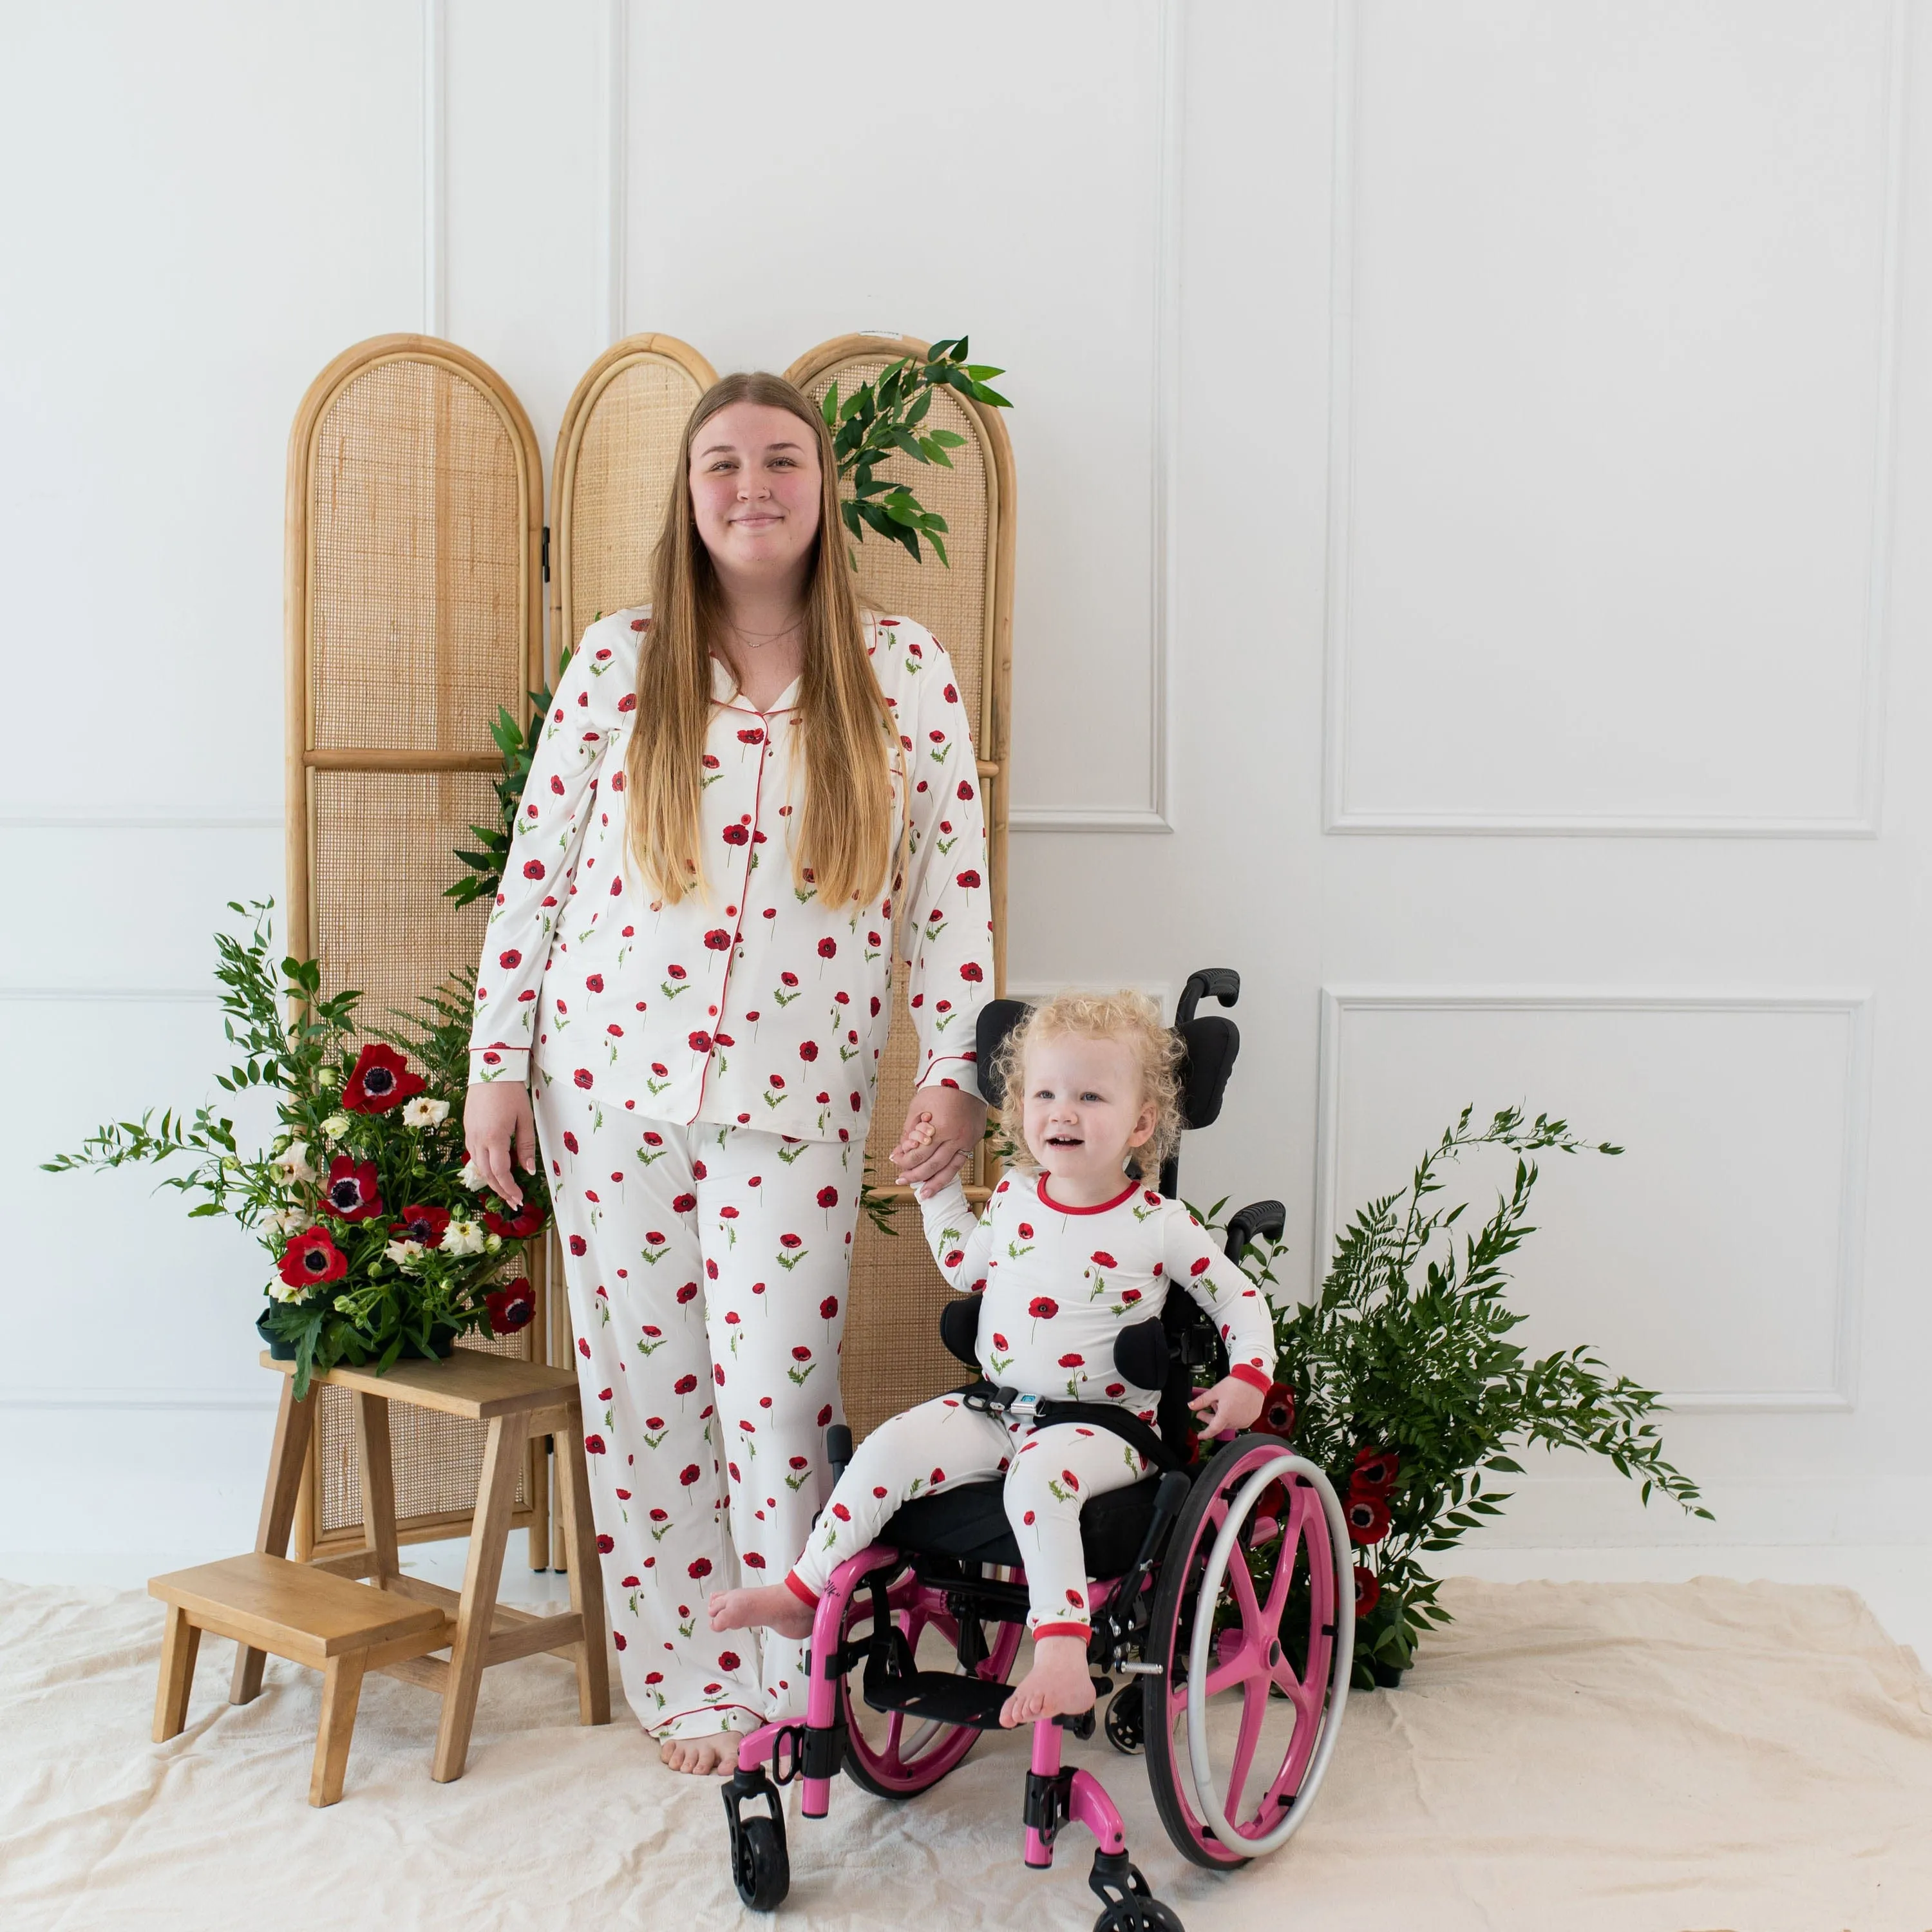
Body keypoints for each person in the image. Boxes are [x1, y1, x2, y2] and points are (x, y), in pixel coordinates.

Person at [463, 371, 992, 1775]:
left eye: (779, 461)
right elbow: (536, 881)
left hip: (794, 1098)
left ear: (823, 490)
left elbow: (950, 893)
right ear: (687, 497)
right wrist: (495, 1066)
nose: (752, 487)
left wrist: (957, 1069)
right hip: (603, 1080)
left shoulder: (905, 670)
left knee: (773, 1386)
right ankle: (688, 1677)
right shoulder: (619, 657)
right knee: (644, 1390)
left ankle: (783, 1662)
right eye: (721, 466)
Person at [708, 989, 1273, 1728]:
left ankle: (1063, 1656)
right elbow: (963, 1268)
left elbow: (1238, 1299)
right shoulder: (1012, 1198)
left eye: (1090, 1096)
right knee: (891, 1445)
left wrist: (1247, 1376)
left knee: (1040, 1480)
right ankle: (803, 1590)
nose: (1062, 1112)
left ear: (1141, 1123)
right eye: (1044, 1093)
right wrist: (935, 1192)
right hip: (999, 1408)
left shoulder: (1159, 1224)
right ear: (1017, 1105)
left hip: (1103, 1431)